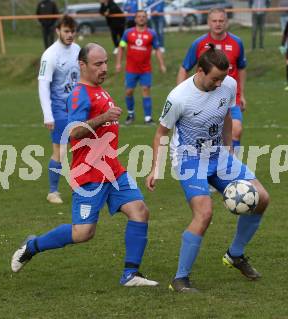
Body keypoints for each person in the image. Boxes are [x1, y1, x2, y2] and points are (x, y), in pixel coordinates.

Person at [11, 43, 159, 288]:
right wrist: (104, 118)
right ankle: (32, 246)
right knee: (83, 233)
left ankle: (131, 275)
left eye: (105, 63)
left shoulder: (99, 90)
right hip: (89, 174)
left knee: (140, 211)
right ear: (82, 65)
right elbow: (74, 132)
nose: (104, 68)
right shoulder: (80, 93)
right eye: (98, 64)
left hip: (112, 170)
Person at [146, 44, 270, 292]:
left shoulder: (229, 84)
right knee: (204, 214)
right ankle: (180, 279)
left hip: (218, 155)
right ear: (200, 70)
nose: (219, 84)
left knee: (262, 199)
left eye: (222, 78)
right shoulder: (179, 97)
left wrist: (229, 147)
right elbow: (161, 133)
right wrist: (154, 168)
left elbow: (225, 114)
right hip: (189, 160)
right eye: (214, 79)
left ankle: (235, 255)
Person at [176, 8, 246, 150]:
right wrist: (180, 94)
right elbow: (184, 68)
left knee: (236, 130)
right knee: (206, 136)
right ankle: (207, 166)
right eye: (214, 21)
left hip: (231, 97)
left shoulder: (237, 42)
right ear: (208, 22)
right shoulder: (199, 43)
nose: (218, 24)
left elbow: (242, 68)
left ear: (226, 22)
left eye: (221, 20)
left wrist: (242, 94)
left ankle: (233, 166)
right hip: (204, 98)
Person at [38, 15, 81, 204]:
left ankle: (80, 185)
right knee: (61, 150)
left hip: (77, 107)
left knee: (82, 147)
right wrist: (48, 115)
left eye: (72, 31)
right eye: (66, 31)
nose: (70, 35)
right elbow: (43, 85)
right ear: (58, 31)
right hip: (59, 109)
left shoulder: (78, 50)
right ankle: (53, 192)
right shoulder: (50, 55)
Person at [115, 10, 166, 125]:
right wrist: (118, 63)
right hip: (131, 69)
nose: (141, 18)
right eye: (139, 16)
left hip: (145, 70)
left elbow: (157, 49)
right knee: (129, 92)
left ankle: (148, 118)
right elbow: (121, 47)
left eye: (143, 16)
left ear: (146, 18)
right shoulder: (128, 33)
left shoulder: (151, 34)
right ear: (135, 19)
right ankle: (131, 114)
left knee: (146, 91)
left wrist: (161, 64)